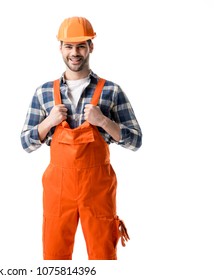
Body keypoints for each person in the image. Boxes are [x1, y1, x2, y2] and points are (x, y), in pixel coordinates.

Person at [20, 16, 142, 260]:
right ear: (61, 48)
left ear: (91, 47)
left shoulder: (111, 91)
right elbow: (26, 143)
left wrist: (104, 121)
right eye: (69, 46)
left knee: (103, 257)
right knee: (54, 257)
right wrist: (48, 122)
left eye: (80, 46)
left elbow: (135, 141)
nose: (74, 52)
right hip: (58, 188)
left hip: (98, 189)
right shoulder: (44, 92)